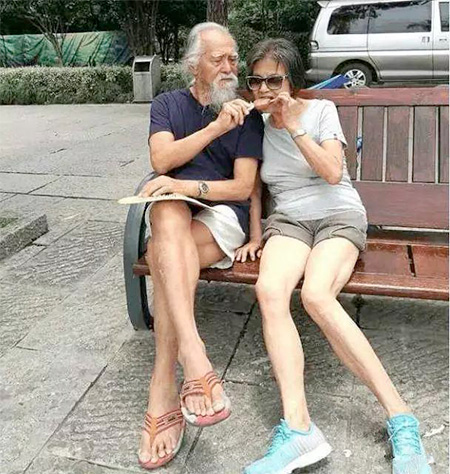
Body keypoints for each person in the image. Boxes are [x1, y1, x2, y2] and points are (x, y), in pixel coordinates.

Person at [235, 38, 432, 474]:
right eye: (256, 80)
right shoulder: (253, 124)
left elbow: (331, 172)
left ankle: (401, 417)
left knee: (317, 296)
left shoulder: (321, 110)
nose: (264, 89)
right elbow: (254, 186)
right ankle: (298, 428)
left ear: (292, 81)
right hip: (289, 220)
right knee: (269, 291)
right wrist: (254, 234)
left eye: (274, 80)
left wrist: (293, 127)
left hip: (337, 215)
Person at [136, 23, 264, 470]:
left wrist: (187, 186)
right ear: (194, 65)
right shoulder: (168, 104)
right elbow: (161, 160)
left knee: (163, 253)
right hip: (178, 217)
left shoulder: (247, 115)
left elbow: (242, 187)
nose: (230, 67)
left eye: (233, 58)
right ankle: (194, 358)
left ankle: (162, 387)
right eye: (218, 59)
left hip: (222, 215)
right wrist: (213, 130)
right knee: (167, 213)